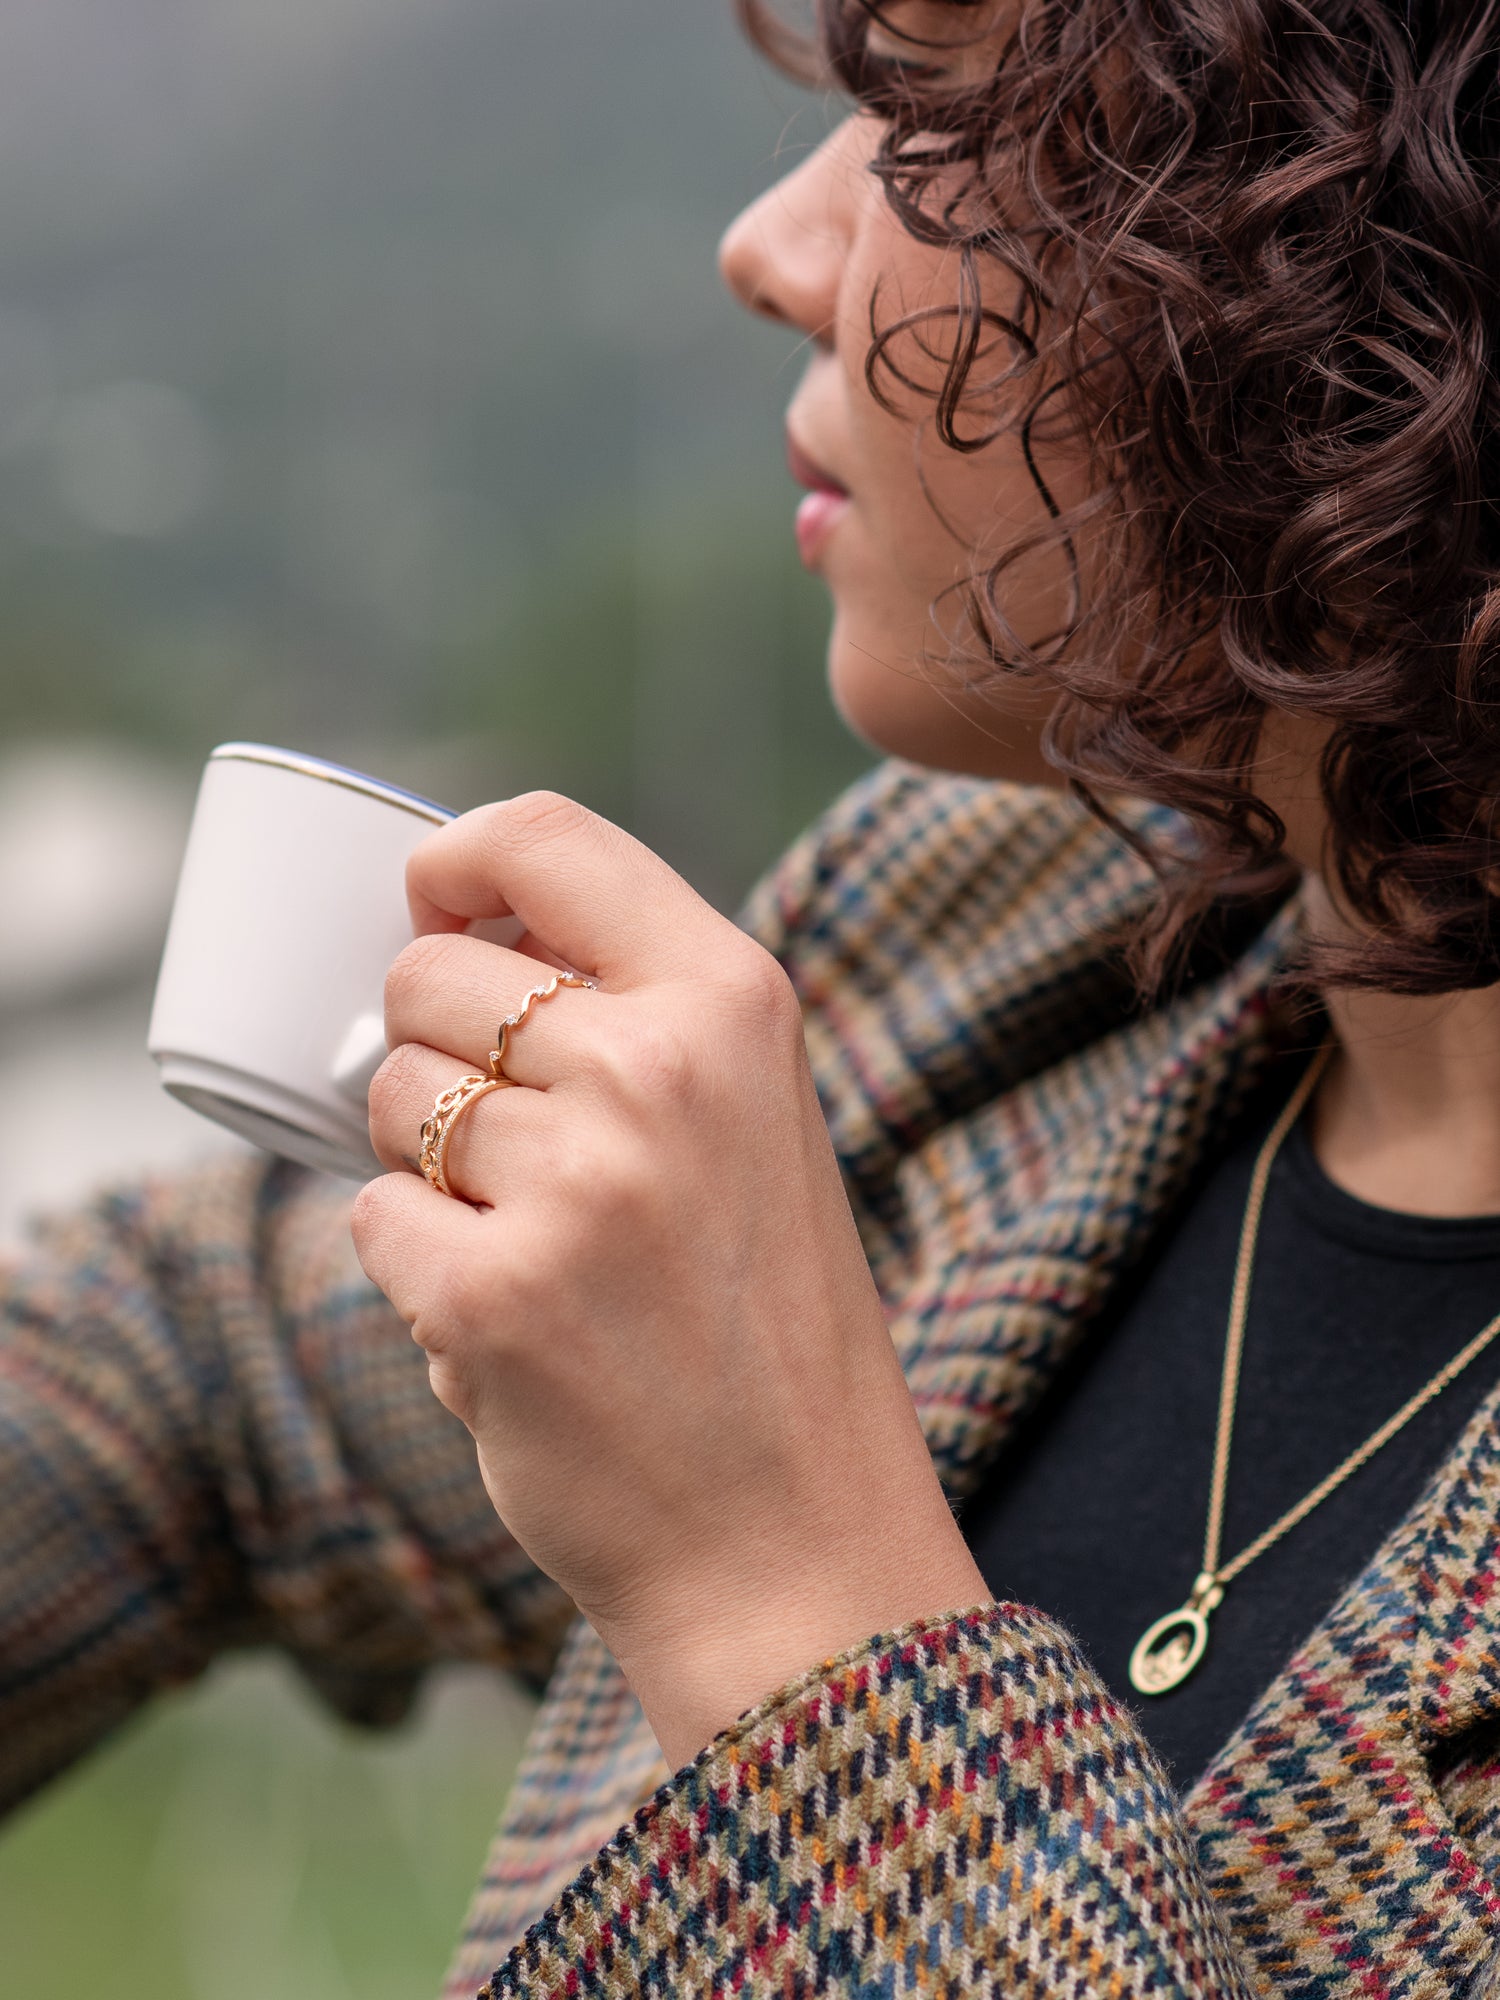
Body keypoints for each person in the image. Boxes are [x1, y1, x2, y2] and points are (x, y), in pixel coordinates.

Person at [7, 0, 1500, 1991]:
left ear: (1395, 258)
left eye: (943, 117)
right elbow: (204, 1375)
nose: (771, 248)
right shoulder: (1049, 926)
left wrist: (782, 1593)